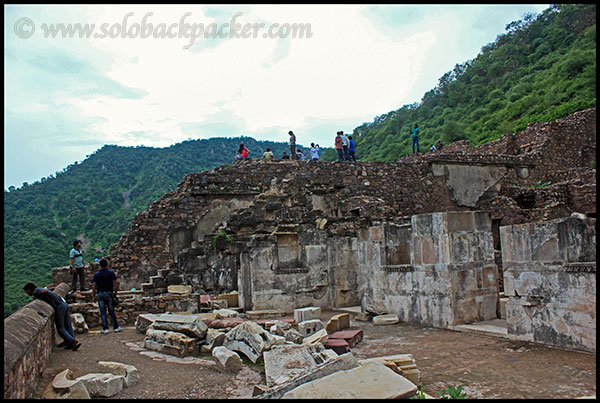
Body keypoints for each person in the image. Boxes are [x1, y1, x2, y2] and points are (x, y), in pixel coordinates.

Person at [24, 282, 81, 350]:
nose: (27, 293)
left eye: (26, 291)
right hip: (64, 304)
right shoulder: (39, 289)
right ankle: (69, 341)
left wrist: (39, 295)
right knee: (67, 325)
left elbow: (45, 291)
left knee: (60, 327)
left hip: (59, 307)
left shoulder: (36, 291)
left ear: (29, 290)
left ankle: (72, 341)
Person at [92, 259, 123, 334]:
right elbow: (117, 282)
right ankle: (115, 327)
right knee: (111, 311)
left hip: (100, 294)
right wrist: (115, 292)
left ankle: (105, 328)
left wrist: (94, 296)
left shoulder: (96, 275)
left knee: (102, 312)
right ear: (107, 265)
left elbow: (93, 286)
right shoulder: (111, 273)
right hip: (109, 293)